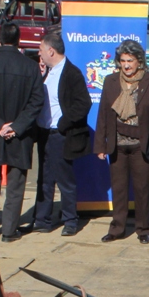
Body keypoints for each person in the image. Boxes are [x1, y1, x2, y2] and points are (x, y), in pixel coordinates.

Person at [0, 22, 44, 241]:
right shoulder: (30, 67)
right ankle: (9, 231)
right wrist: (17, 126)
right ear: (19, 40)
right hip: (19, 134)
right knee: (16, 182)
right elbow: (36, 101)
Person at [95, 39, 149, 244]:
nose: (126, 65)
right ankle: (117, 228)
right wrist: (101, 145)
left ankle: (143, 229)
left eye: (130, 60)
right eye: (123, 60)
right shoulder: (111, 81)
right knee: (119, 188)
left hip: (140, 145)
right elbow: (104, 114)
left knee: (142, 189)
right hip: (117, 145)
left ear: (139, 61)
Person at [28, 31, 91, 235]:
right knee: (44, 178)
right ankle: (42, 219)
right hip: (44, 132)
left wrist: (64, 123)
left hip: (60, 134)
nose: (39, 55)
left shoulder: (72, 73)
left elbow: (83, 103)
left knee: (64, 179)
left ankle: (70, 220)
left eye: (41, 50)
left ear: (51, 51)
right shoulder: (47, 71)